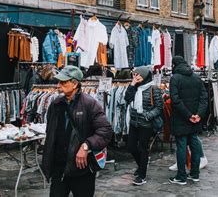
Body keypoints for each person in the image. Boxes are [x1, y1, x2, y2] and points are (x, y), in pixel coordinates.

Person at [42, 66, 113, 197]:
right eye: (58, 82)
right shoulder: (55, 104)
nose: (59, 85)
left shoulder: (90, 103)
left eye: (63, 82)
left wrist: (86, 145)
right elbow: (51, 133)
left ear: (74, 84)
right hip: (59, 167)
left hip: (81, 169)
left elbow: (105, 131)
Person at [168, 56, 208, 185]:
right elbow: (204, 98)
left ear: (174, 65)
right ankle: (195, 174)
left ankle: (181, 176)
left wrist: (188, 115)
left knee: (181, 146)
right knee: (194, 144)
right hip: (195, 118)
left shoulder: (175, 79)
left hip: (181, 117)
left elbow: (175, 100)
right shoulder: (196, 78)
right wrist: (198, 115)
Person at [124, 66, 163, 186]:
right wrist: (132, 84)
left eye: (138, 75)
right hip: (134, 121)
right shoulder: (134, 87)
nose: (136, 77)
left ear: (145, 75)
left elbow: (159, 107)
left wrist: (148, 116)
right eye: (134, 75)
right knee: (131, 147)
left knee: (143, 148)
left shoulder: (153, 88)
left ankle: (142, 175)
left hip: (146, 123)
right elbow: (127, 98)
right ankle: (142, 165)